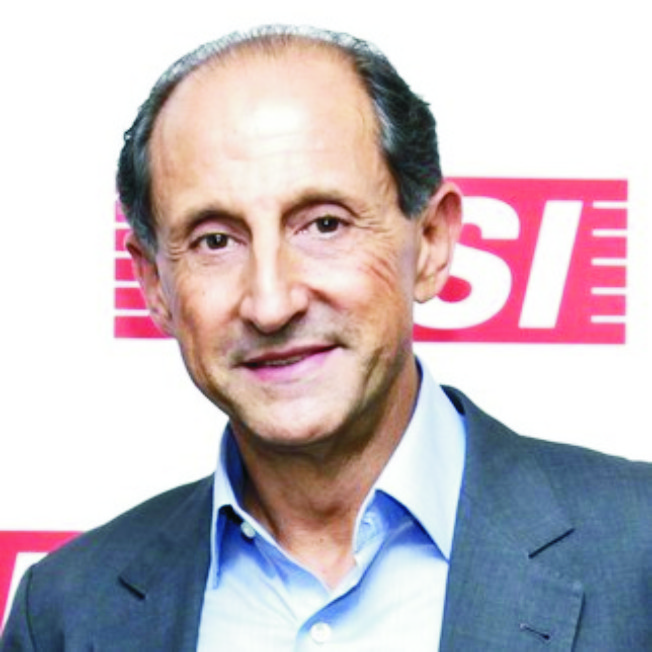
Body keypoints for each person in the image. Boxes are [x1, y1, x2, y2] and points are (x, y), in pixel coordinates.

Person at [2, 25, 651, 652]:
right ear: (155, 287)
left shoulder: (638, 549)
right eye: (215, 240)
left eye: (324, 225)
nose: (271, 303)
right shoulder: (65, 613)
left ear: (431, 242)